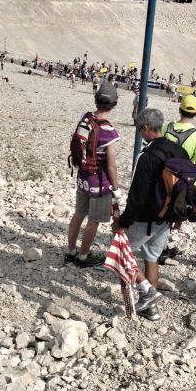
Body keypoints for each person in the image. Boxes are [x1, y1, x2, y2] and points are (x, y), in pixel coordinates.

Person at [112, 108, 189, 320]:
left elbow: (138, 195)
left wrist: (123, 221)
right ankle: (150, 309)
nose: (139, 132)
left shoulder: (146, 157)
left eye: (139, 129)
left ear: (145, 128)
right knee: (152, 257)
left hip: (146, 218)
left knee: (121, 254)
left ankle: (147, 291)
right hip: (168, 218)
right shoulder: (178, 150)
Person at [67, 80, 121, 268]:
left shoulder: (86, 117)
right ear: (114, 103)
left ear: (96, 100)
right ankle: (83, 256)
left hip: (82, 176)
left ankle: (71, 250)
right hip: (99, 181)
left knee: (79, 213)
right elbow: (111, 164)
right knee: (94, 220)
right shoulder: (109, 131)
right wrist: (116, 187)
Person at [161, 95, 196, 262]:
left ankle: (161, 249)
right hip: (187, 183)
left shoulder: (166, 128)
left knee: (165, 211)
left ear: (179, 108)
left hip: (165, 180)